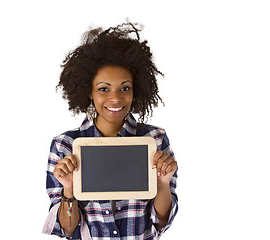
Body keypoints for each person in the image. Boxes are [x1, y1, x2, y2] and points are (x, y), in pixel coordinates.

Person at [43, 21, 178, 239]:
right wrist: (69, 190)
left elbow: (162, 220)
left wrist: (162, 184)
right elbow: (68, 228)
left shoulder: (154, 139)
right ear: (89, 91)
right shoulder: (65, 145)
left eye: (125, 88)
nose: (115, 98)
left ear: (136, 90)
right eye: (103, 89)